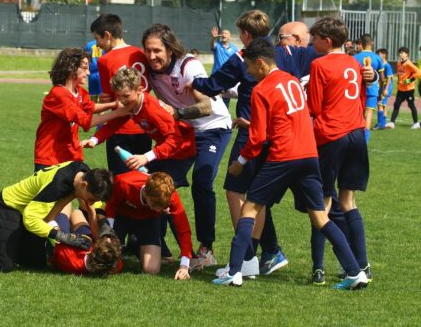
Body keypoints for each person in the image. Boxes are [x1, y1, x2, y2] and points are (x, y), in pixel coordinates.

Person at [213, 38, 368, 290]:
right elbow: (287, 120)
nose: (248, 73)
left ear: (261, 64)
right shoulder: (293, 81)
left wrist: (241, 161)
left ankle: (233, 271)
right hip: (308, 156)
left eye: (249, 68)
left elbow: (258, 138)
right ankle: (354, 271)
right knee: (320, 216)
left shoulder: (261, 90)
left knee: (249, 209)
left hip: (283, 156)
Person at [142, 23, 232, 269]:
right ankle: (159, 244)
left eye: (157, 51)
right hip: (183, 131)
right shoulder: (150, 72)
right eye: (148, 51)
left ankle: (206, 249)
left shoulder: (188, 65)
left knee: (202, 182)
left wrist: (177, 113)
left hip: (212, 129)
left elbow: (206, 107)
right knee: (158, 182)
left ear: (170, 49)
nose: (152, 56)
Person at [307, 16, 374, 286]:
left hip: (331, 135)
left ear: (327, 41)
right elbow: (359, 94)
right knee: (348, 201)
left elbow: (314, 107)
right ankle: (363, 265)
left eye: (314, 38)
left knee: (321, 203)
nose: (311, 42)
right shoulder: (354, 63)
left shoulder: (319, 64)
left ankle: (318, 269)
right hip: (357, 134)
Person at [82, 67, 196, 187]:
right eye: (118, 96)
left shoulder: (152, 110)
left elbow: (175, 140)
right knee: (139, 186)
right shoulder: (132, 105)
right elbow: (114, 124)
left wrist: (146, 157)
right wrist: (94, 140)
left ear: (139, 90)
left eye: (126, 96)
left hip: (181, 152)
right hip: (164, 150)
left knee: (158, 192)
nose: (121, 101)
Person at [34, 48, 127, 171]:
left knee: (89, 187)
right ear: (71, 68)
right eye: (84, 67)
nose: (88, 73)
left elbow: (90, 107)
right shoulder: (58, 94)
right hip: (50, 158)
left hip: (72, 154)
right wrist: (118, 113)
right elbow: (85, 121)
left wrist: (113, 104)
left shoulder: (79, 91)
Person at [91, 14, 151, 175]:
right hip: (145, 127)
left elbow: (108, 97)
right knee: (142, 179)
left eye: (97, 38)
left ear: (107, 35)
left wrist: (107, 99)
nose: (97, 44)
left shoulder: (105, 60)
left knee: (120, 182)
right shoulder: (140, 54)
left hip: (119, 129)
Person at [105, 171, 193, 280]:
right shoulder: (124, 182)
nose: (160, 209)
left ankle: (137, 244)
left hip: (147, 220)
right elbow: (110, 206)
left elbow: (183, 229)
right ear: (146, 192)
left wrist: (184, 266)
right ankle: (125, 247)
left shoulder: (171, 195)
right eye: (156, 205)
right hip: (121, 217)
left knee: (151, 269)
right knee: (111, 267)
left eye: (163, 206)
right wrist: (108, 234)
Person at [47, 203, 123, 276]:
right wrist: (90, 209)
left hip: (61, 245)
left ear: (94, 248)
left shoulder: (70, 258)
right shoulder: (114, 263)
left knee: (65, 206)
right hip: (84, 245)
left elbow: (54, 233)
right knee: (77, 212)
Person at [353, 34, 384, 142]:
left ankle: (355, 140)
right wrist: (381, 91)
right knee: (368, 116)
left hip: (357, 92)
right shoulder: (377, 58)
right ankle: (364, 142)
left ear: (360, 44)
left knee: (357, 116)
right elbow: (381, 77)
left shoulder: (354, 58)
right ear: (372, 43)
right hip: (372, 90)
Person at [386, 47, 421, 129]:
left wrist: (409, 80)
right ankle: (392, 122)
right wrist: (399, 81)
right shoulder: (399, 63)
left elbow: (418, 72)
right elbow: (399, 74)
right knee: (396, 105)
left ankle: (416, 123)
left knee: (411, 105)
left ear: (407, 54)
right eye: (399, 52)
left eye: (402, 53)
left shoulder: (409, 63)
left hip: (409, 89)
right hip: (400, 89)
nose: (400, 54)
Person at [375, 48, 393, 130]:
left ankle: (380, 123)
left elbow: (389, 79)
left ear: (384, 55)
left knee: (380, 104)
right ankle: (383, 123)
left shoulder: (387, 65)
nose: (377, 56)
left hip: (386, 87)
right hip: (382, 87)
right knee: (384, 105)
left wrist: (386, 89)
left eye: (379, 54)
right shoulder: (381, 64)